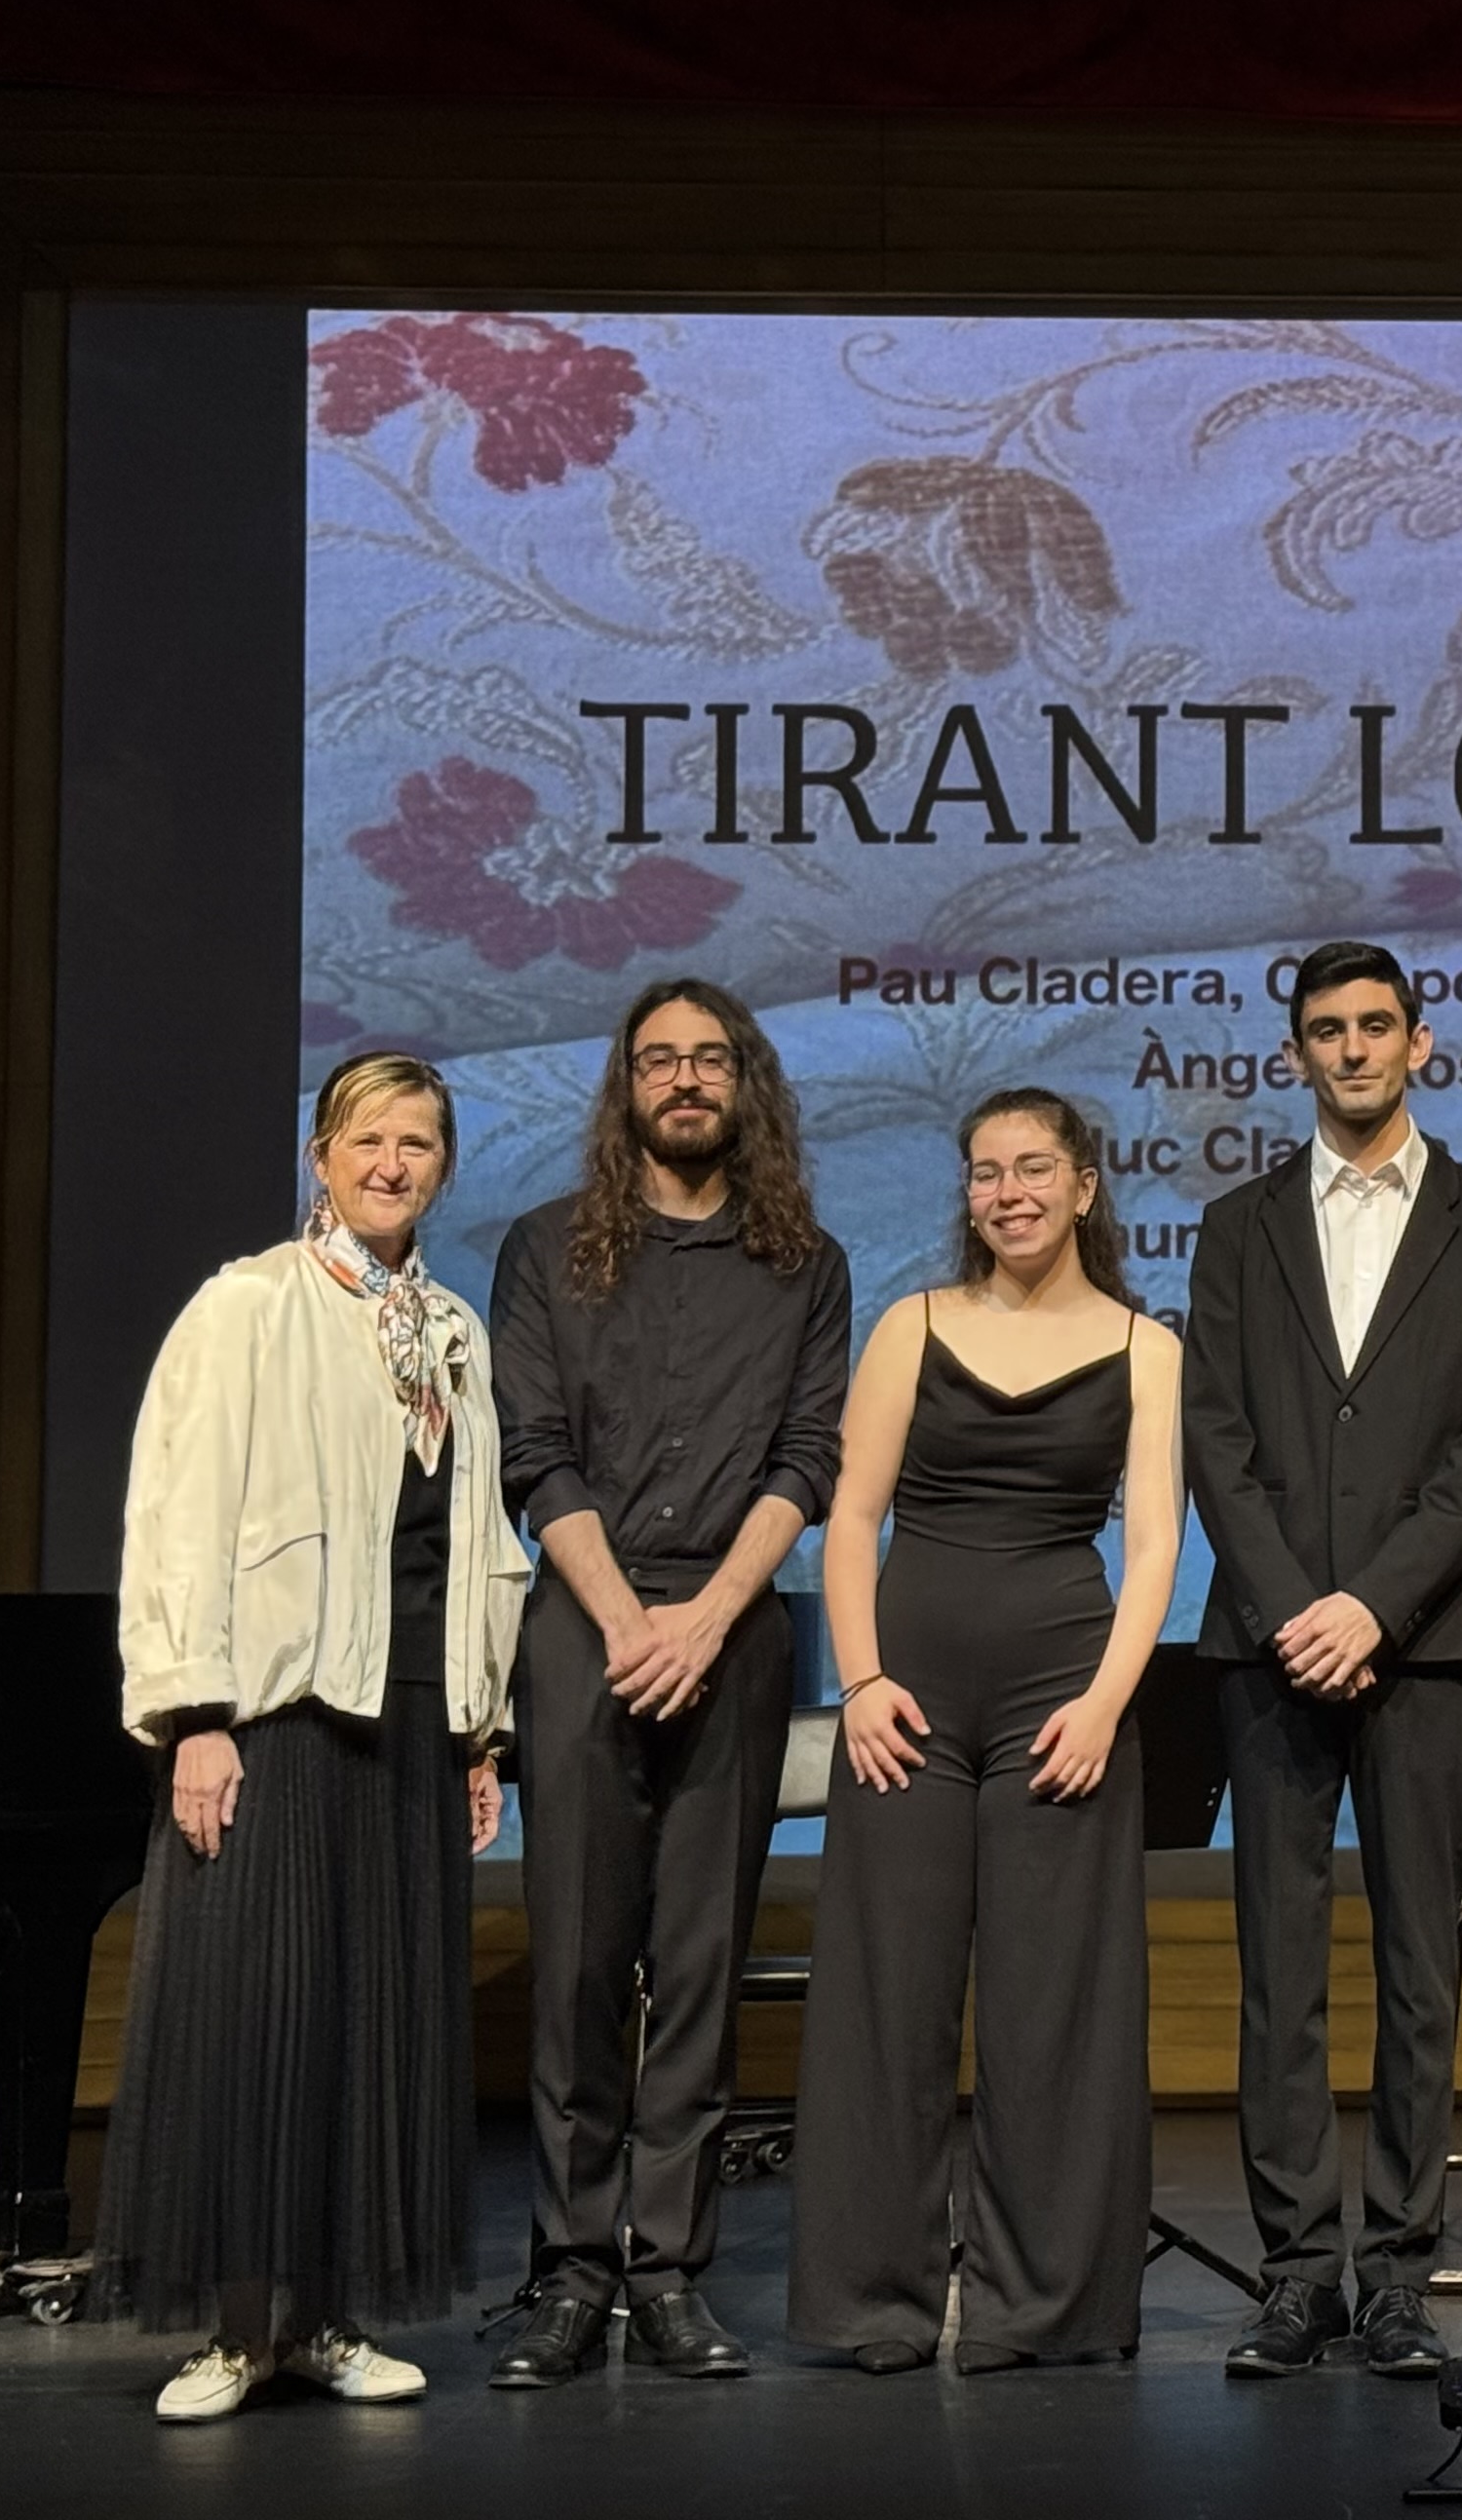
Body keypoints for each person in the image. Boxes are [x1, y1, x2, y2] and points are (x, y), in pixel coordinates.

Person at [99, 1052, 528, 2423]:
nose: (391, 1164)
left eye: (417, 1144)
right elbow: (176, 1516)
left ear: (443, 1167)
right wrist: (198, 1716)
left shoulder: (450, 1329)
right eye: (368, 1140)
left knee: (374, 2015)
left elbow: (471, 1544)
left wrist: (480, 1728)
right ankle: (238, 2333)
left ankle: (330, 2322)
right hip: (278, 1710)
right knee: (256, 2011)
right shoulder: (251, 1307)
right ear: (319, 1156)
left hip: (408, 1714)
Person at [1184, 940, 1462, 2380]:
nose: (1351, 1049)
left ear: (1421, 1041)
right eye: (1325, 1031)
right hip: (1267, 1647)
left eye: (1374, 1026)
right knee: (1278, 1973)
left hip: (1422, 1644)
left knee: (1415, 1970)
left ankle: (1394, 2267)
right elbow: (1214, 1431)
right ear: (1294, 1056)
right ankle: (1294, 2271)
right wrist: (1292, 1607)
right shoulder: (1234, 1223)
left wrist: (1372, 1608)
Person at [486, 978, 851, 2386]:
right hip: (587, 1624)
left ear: (742, 1083)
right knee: (578, 1965)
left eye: (709, 1060)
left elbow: (804, 1461)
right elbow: (535, 1455)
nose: (685, 1081)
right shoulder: (544, 1251)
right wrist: (631, 1617)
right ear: (625, 1087)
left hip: (735, 1624)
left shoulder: (802, 1263)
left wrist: (700, 1620)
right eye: (660, 1061)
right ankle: (574, 2273)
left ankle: (672, 2272)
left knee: (699, 1967)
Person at [788, 1088, 1182, 2372]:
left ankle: (1045, 2310)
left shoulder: (1145, 1348)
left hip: (1060, 1699)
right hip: (905, 1697)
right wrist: (858, 1680)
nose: (1006, 1192)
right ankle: (871, 2307)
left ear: (1082, 1187)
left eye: (1031, 1169)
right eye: (983, 1173)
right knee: (883, 2003)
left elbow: (1159, 1542)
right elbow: (849, 1517)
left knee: (1052, 2012)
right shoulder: (912, 1325)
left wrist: (1104, 1705)